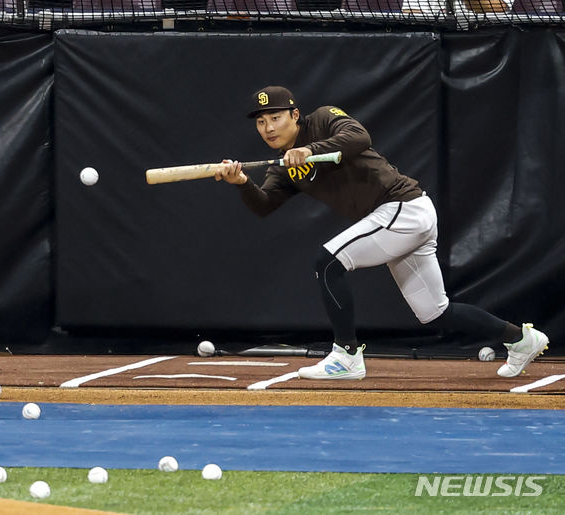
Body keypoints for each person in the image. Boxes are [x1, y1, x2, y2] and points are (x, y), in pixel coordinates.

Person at [215, 85, 549, 380]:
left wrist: (311, 150)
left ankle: (346, 355)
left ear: (295, 115)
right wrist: (242, 182)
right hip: (399, 219)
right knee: (435, 311)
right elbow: (263, 204)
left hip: (402, 207)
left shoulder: (322, 119)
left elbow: (359, 137)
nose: (269, 127)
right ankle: (520, 339)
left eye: (276, 117)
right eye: (261, 122)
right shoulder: (284, 165)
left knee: (328, 262)